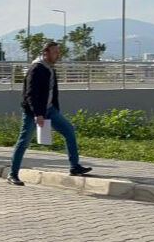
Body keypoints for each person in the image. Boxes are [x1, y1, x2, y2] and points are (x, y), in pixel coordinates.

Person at [7, 41, 92, 186]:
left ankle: (74, 166)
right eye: (54, 52)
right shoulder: (36, 69)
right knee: (24, 141)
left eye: (58, 52)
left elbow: (52, 91)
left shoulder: (49, 68)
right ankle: (12, 174)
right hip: (33, 112)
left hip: (50, 109)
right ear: (45, 53)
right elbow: (30, 95)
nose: (57, 55)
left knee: (69, 130)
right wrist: (37, 114)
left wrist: (54, 109)